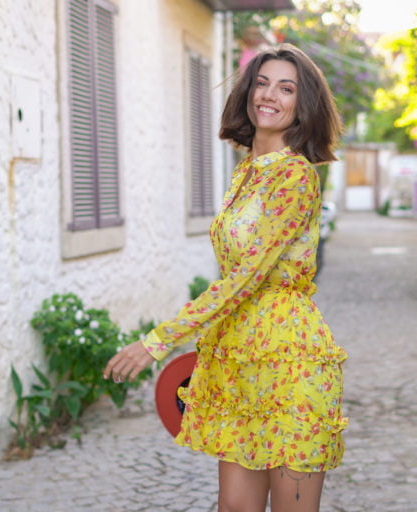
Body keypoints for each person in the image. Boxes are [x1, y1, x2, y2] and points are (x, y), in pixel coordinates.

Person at [103, 43, 347, 512]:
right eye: (261, 82)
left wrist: (157, 341)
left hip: (288, 359)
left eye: (286, 87)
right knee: (234, 507)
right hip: (235, 358)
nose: (268, 95)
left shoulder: (295, 177)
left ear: (303, 105)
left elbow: (247, 276)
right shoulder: (245, 174)